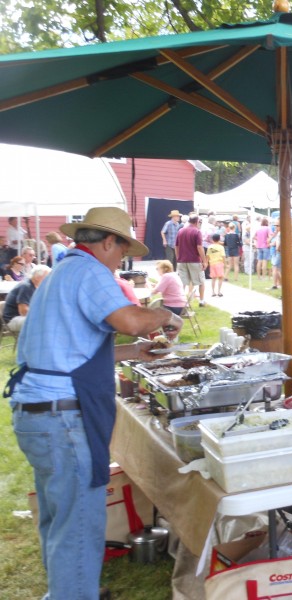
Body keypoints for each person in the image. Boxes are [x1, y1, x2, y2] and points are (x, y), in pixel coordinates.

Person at [7, 206, 183, 600]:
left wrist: (134, 353)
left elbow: (70, 354)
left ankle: (67, 590)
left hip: (37, 411)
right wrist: (166, 316)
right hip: (60, 417)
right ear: (107, 242)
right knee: (79, 523)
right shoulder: (89, 271)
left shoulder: (61, 273)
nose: (122, 260)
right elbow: (133, 319)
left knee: (59, 517)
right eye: (122, 251)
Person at [3, 265, 50, 332]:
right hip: (13, 319)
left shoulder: (35, 287)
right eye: (47, 277)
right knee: (41, 323)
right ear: (37, 277)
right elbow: (23, 311)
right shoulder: (26, 287)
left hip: (21, 318)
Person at [175, 214, 207, 307]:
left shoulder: (180, 231)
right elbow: (199, 247)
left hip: (182, 260)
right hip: (194, 260)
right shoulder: (197, 232)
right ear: (197, 222)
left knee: (183, 283)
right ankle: (201, 301)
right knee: (201, 281)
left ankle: (182, 301)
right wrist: (204, 261)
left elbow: (176, 246)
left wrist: (178, 257)